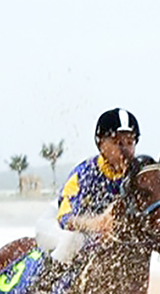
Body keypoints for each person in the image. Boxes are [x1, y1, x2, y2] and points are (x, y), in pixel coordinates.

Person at [34, 108, 141, 264]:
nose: (125, 150)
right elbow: (66, 220)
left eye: (130, 142)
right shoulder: (84, 175)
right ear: (100, 143)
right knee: (72, 240)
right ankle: (47, 287)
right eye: (117, 142)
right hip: (55, 226)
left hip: (93, 236)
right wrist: (96, 224)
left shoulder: (135, 177)